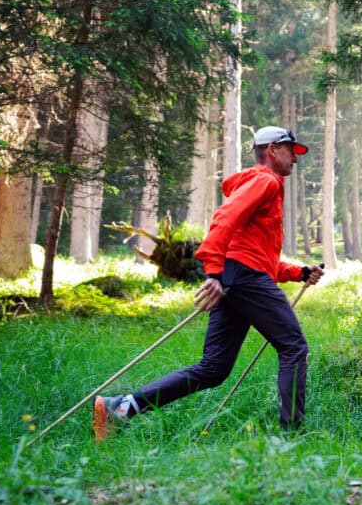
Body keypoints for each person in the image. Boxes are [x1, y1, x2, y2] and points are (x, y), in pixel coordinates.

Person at [92, 126, 324, 442]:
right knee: (294, 346)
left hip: (239, 278)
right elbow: (223, 220)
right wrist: (213, 273)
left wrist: (299, 272)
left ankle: (122, 408)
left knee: (214, 369)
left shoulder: (263, 185)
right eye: (290, 151)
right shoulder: (265, 180)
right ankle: (292, 437)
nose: (295, 160)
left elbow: (259, 258)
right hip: (240, 278)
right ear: (271, 150)